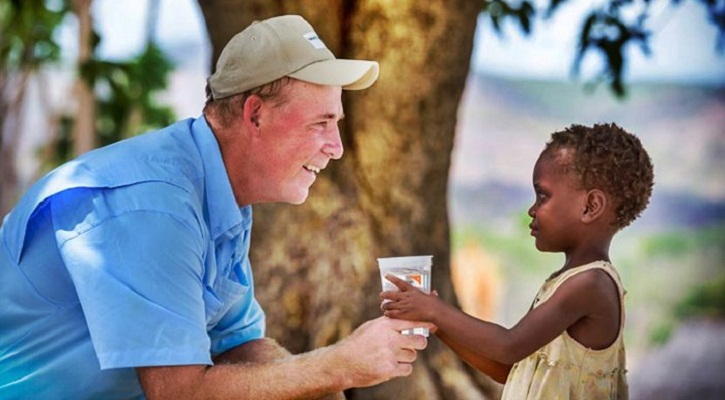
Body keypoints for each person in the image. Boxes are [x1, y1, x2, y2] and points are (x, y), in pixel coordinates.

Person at [0, 15, 430, 399]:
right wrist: (340, 364)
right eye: (320, 123)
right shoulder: (154, 206)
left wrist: (327, 385)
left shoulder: (218, 194)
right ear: (255, 114)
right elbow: (180, 393)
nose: (335, 147)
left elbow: (238, 347)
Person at [381, 123, 655, 399]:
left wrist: (436, 310)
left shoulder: (591, 284)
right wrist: (439, 326)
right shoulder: (566, 282)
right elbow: (507, 367)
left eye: (543, 195)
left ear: (590, 206)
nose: (532, 209)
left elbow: (508, 345)